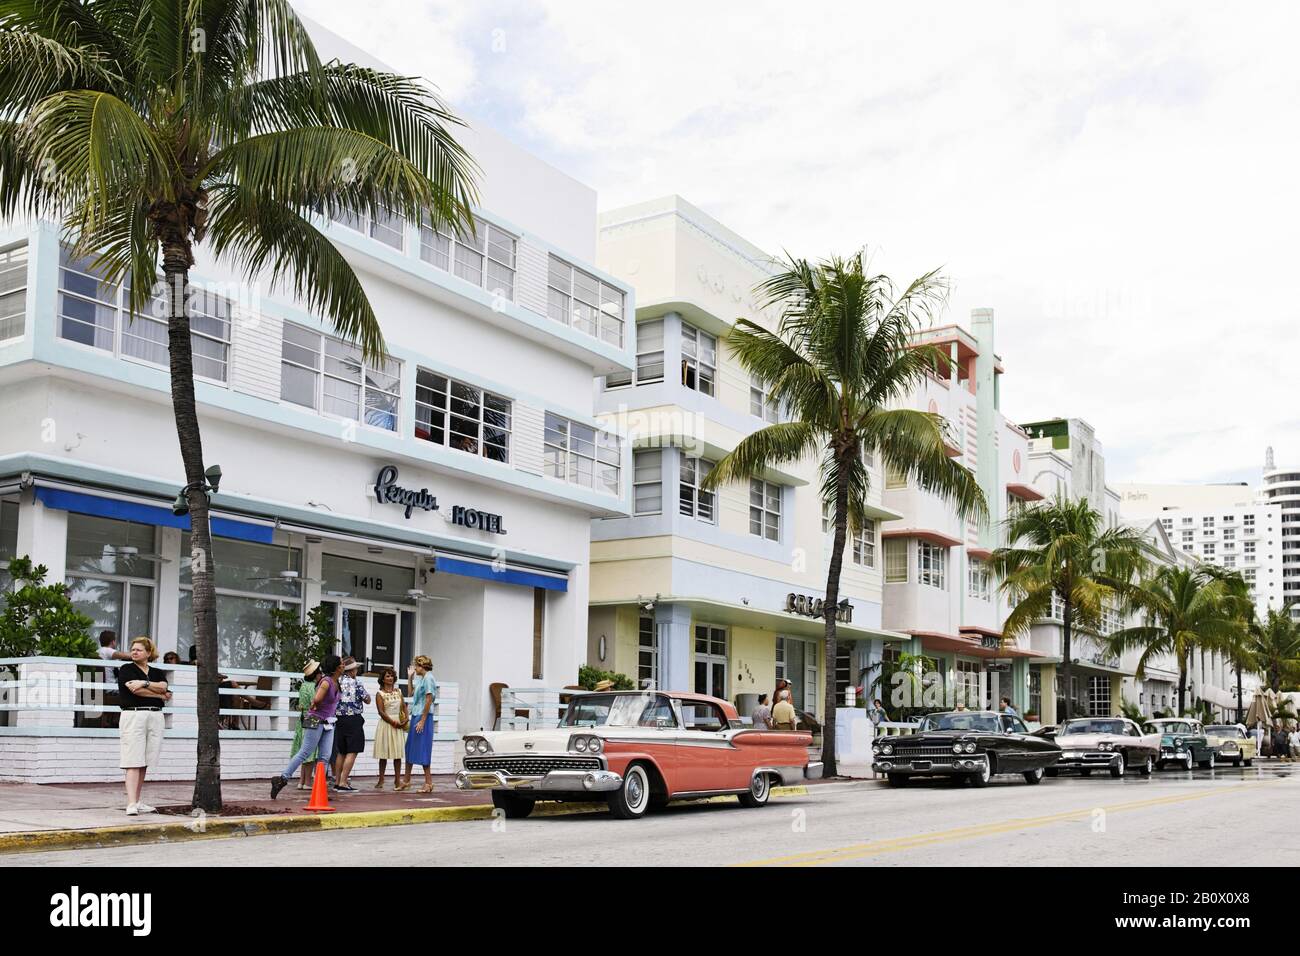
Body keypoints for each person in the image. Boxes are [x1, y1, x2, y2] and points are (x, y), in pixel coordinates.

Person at [272, 655, 342, 799]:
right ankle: (282, 779)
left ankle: (319, 790)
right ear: (335, 667)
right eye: (341, 663)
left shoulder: (336, 682)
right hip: (315, 719)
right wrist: (316, 704)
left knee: (325, 756)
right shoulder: (326, 682)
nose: (343, 665)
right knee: (305, 752)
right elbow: (317, 698)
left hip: (328, 722)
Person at [116, 637, 170, 815]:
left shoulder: (157, 672)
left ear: (148, 653)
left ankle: (138, 801)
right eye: (133, 649)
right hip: (133, 715)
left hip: (155, 716)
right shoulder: (126, 669)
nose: (134, 652)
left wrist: (145, 683)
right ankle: (131, 803)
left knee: (145, 761)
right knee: (133, 759)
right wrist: (158, 695)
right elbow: (136, 690)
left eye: (138, 650)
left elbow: (164, 687)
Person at [332, 657, 371, 792]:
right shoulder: (356, 683)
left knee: (341, 751)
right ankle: (343, 782)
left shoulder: (337, 681)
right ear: (352, 670)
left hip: (339, 718)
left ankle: (337, 781)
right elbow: (367, 699)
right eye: (356, 669)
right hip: (353, 718)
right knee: (352, 750)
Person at [400, 655, 437, 793]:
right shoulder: (422, 679)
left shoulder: (428, 678)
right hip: (416, 715)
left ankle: (428, 783)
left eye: (416, 665)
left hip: (423, 717)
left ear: (422, 666)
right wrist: (410, 678)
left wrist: (422, 720)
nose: (415, 668)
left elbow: (429, 700)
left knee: (423, 749)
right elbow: (410, 693)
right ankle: (406, 780)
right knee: (410, 747)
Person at [289, 661, 322, 790]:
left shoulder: (303, 685)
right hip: (312, 717)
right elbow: (315, 703)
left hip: (303, 717)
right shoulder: (313, 687)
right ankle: (308, 781)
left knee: (303, 749)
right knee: (310, 751)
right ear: (316, 674)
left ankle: (302, 781)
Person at [373, 667, 408, 789]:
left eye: (392, 676)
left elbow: (404, 706)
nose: (390, 678)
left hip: (398, 723)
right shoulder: (380, 694)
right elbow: (381, 712)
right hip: (386, 724)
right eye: (387, 676)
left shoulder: (399, 692)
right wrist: (393, 723)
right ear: (382, 679)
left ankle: (397, 780)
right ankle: (381, 779)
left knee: (397, 754)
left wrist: (406, 719)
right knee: (383, 753)